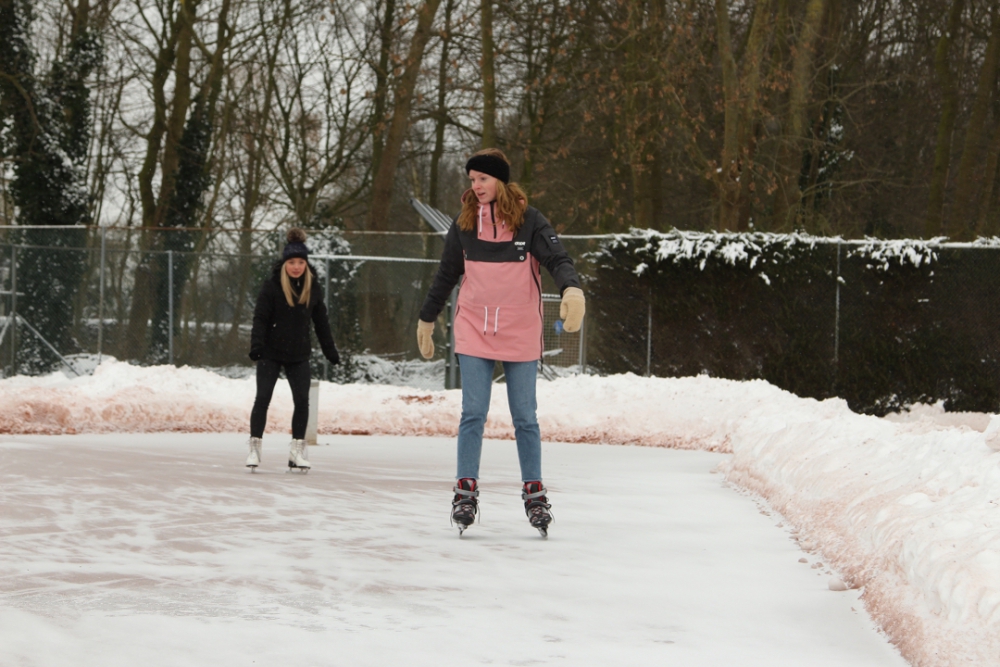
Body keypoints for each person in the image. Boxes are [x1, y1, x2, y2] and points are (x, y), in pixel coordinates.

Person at [416, 148, 585, 537]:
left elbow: (559, 259)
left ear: (500, 182)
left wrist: (572, 290)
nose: (475, 186)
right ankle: (465, 491)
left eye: (483, 179)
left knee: (525, 417)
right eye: (472, 179)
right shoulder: (463, 226)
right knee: (473, 412)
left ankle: (534, 493)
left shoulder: (529, 222)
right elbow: (445, 275)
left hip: (521, 330)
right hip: (474, 329)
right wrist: (427, 317)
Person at [246, 227, 339, 472]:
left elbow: (322, 323)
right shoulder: (272, 286)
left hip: (298, 355)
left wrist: (330, 351)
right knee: (263, 398)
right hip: (270, 352)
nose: (296, 266)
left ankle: (297, 451)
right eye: (292, 262)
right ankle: (255, 447)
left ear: (305, 264)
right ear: (285, 263)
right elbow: (260, 318)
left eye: (300, 262)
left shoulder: (313, 288)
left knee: (302, 401)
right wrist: (256, 346)